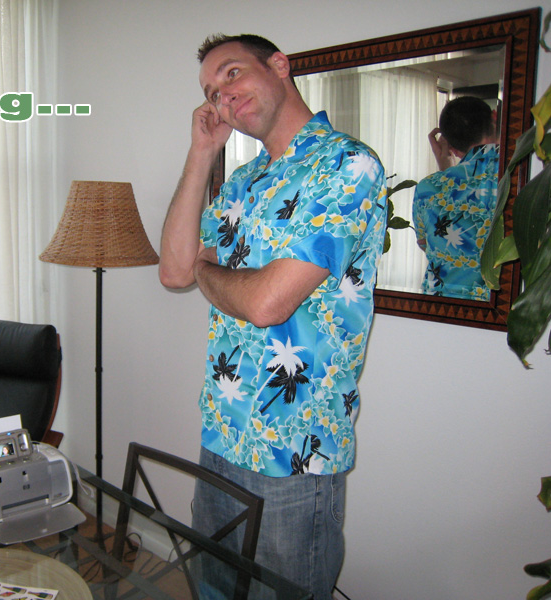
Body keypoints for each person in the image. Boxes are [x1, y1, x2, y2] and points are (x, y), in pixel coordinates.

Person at [159, 33, 387, 600]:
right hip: (223, 430)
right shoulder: (244, 180)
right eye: (212, 92)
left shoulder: (346, 165)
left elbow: (266, 303)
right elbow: (174, 270)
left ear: (279, 66)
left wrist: (208, 271)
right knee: (213, 589)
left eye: (232, 74)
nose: (223, 97)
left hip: (295, 450)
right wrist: (201, 153)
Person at [412, 95, 500, 301]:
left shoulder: (428, 188)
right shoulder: (519, 174)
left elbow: (429, 244)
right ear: (495, 117)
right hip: (497, 306)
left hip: (441, 306)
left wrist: (445, 166)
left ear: (451, 147)